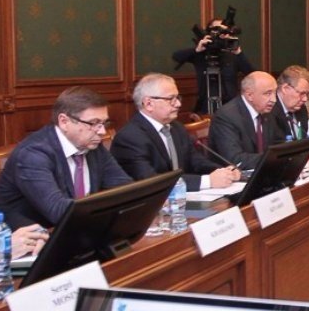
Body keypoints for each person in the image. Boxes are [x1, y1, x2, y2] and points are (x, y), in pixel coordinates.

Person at [0, 87, 132, 228]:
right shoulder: (33, 154)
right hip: (33, 234)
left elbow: (126, 190)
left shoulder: (93, 146)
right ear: (64, 121)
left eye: (104, 123)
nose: (102, 131)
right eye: (93, 123)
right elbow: (60, 212)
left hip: (79, 229)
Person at [110, 73, 241, 191]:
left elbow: (195, 161)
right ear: (148, 103)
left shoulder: (176, 127)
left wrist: (223, 172)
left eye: (178, 97)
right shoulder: (129, 138)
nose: (178, 104)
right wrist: (207, 181)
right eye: (171, 99)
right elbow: (152, 181)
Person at [172, 16, 255, 114]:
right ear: (209, 32)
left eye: (224, 31)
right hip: (205, 106)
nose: (221, 34)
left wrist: (239, 53)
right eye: (217, 30)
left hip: (230, 107)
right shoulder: (201, 53)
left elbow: (252, 74)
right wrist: (196, 50)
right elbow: (176, 56)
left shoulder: (232, 54)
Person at [207, 71, 278, 171]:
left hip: (260, 171)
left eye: (275, 93)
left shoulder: (267, 112)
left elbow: (276, 144)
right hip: (231, 176)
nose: (274, 100)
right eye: (268, 93)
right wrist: (273, 158)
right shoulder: (227, 116)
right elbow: (235, 160)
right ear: (249, 95)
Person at [271, 65, 309, 141]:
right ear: (285, 88)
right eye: (302, 93)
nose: (305, 99)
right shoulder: (270, 111)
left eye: (307, 94)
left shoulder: (301, 109)